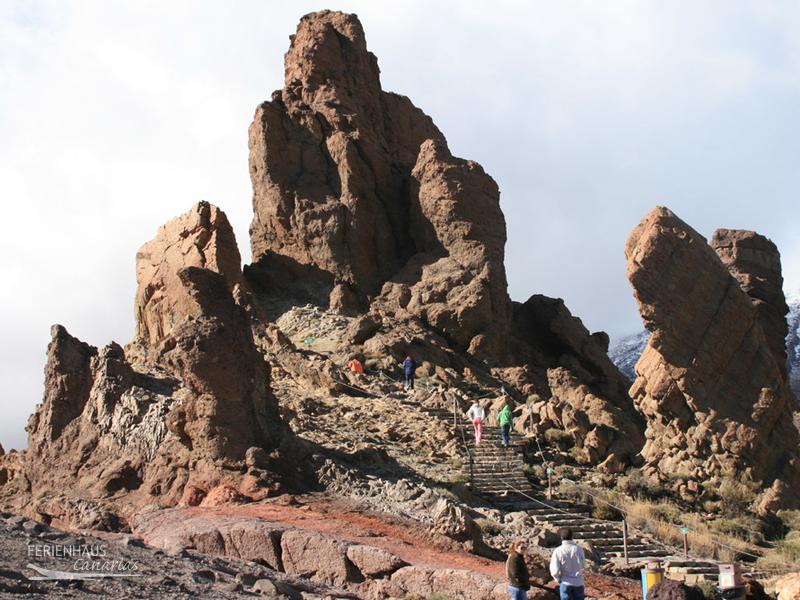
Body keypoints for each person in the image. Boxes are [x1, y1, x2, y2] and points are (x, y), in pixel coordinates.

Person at [549, 528, 585, 600]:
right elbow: (583, 565)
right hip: (578, 582)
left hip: (565, 581)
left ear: (561, 538)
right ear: (572, 537)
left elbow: (554, 569)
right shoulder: (579, 549)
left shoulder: (558, 550)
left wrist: (557, 579)